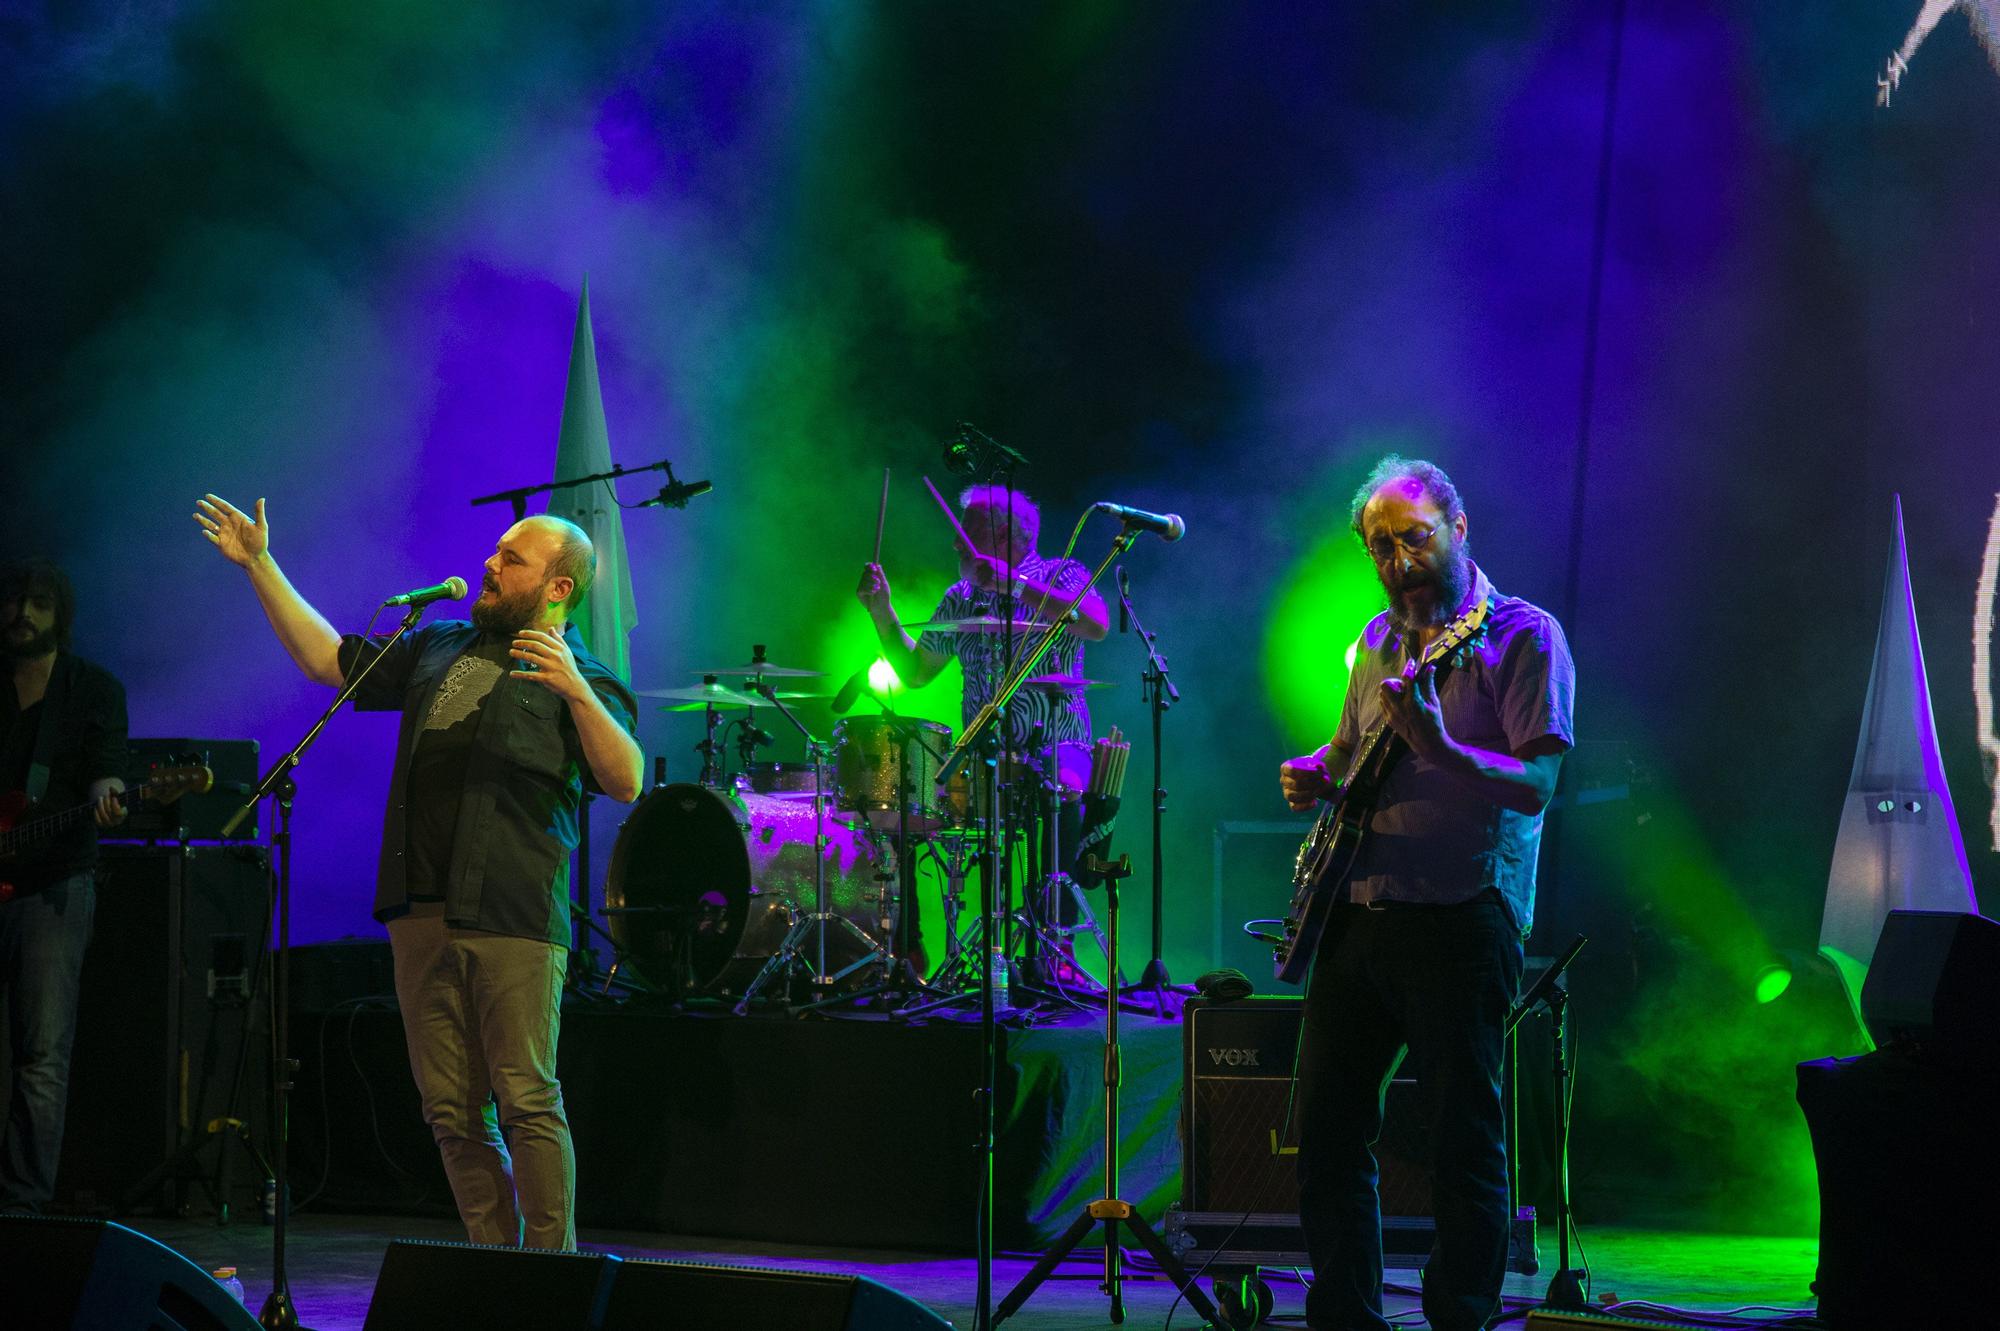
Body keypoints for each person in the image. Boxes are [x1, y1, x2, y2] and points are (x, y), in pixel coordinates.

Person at [195, 496, 641, 1250]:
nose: (489, 566)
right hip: (418, 911)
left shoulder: (586, 678)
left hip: (512, 915)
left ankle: (551, 1275)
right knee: (451, 1111)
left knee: (526, 1099)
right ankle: (495, 1269)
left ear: (558, 587)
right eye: (494, 552)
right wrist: (260, 565)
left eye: (512, 560)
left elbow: (626, 780)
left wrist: (575, 690)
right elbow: (325, 660)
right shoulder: (438, 643)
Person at [1276, 458, 1574, 1331]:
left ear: (1459, 527)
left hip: (1462, 918)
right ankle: (1346, 1318)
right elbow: (1347, 753)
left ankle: (1460, 1317)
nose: (1399, 558)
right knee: (1327, 1132)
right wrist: (1312, 775)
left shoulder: (1522, 635)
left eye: (1415, 537)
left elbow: (1537, 783)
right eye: (1380, 544)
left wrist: (1443, 748)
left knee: (1461, 1141)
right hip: (1360, 911)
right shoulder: (1373, 641)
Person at [856, 484, 1109, 978]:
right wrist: (880, 610)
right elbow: (914, 672)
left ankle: (1057, 948)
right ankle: (909, 947)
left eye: (966, 531)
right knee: (900, 804)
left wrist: (1013, 585)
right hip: (979, 753)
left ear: (1006, 535)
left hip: (1058, 745)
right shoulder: (959, 597)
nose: (955, 544)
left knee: (1063, 785)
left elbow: (1095, 622)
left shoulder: (1061, 573)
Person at [0, 558, 127, 1214]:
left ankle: (22, 1207)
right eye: (15, 600)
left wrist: (112, 795)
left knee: (41, 1052)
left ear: (61, 614)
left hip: (52, 882)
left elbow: (108, 772)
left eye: (39, 602)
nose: (23, 612)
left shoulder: (93, 690)